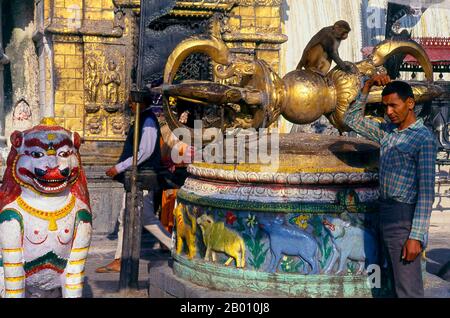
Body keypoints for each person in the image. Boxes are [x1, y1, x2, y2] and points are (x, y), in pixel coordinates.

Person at [344, 74, 437, 298]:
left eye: (394, 106)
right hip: (384, 212)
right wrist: (366, 87)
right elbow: (351, 120)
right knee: (390, 284)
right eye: (385, 107)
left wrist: (416, 236)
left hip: (403, 217)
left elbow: (426, 193)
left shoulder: (423, 139)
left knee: (407, 288)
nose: (389, 112)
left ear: (410, 103)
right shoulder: (387, 133)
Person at [96, 100, 172, 273]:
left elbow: (144, 151)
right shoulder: (141, 120)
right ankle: (120, 259)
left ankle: (175, 247)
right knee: (130, 216)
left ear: (140, 102)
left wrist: (120, 167)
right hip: (136, 178)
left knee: (139, 216)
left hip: (143, 178)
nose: (130, 106)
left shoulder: (149, 122)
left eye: (132, 102)